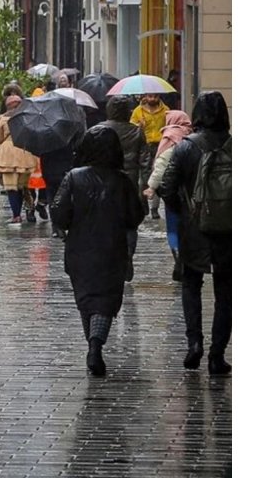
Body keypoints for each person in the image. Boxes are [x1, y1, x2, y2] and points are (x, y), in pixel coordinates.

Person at [50, 126, 145, 376]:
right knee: (106, 301)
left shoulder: (74, 177)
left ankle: (93, 344)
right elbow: (135, 215)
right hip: (112, 249)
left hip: (80, 249)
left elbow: (59, 213)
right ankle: (95, 344)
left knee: (86, 299)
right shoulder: (122, 180)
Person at [157, 91, 232, 375]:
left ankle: (194, 344)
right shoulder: (234, 145)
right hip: (228, 229)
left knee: (191, 284)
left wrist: (182, 212)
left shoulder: (186, 147)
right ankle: (217, 355)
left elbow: (167, 187)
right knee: (226, 292)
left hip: (194, 227)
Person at [99, 96, 149, 280]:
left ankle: (110, 259)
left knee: (106, 222)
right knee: (130, 224)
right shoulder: (136, 132)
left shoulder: (99, 130)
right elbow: (145, 163)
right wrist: (145, 188)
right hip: (130, 183)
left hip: (104, 184)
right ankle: (127, 255)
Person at [145, 110, 193, 281]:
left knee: (173, 226)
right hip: (190, 192)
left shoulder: (170, 136)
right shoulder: (191, 136)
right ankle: (187, 257)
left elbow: (161, 165)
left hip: (172, 192)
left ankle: (178, 256)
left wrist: (151, 186)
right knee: (188, 226)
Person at [0, 95, 39, 224]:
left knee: (11, 187)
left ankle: (16, 215)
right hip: (24, 151)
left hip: (7, 153)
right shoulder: (28, 117)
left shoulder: (3, 118)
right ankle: (30, 210)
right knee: (23, 186)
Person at [130, 93, 170, 218]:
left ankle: (154, 208)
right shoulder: (138, 111)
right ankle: (144, 205)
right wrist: (139, 126)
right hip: (144, 146)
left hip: (160, 144)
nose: (152, 99)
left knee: (158, 175)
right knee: (144, 178)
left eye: (155, 96)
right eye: (150, 96)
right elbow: (131, 128)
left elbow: (169, 126)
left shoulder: (166, 110)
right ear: (145, 97)